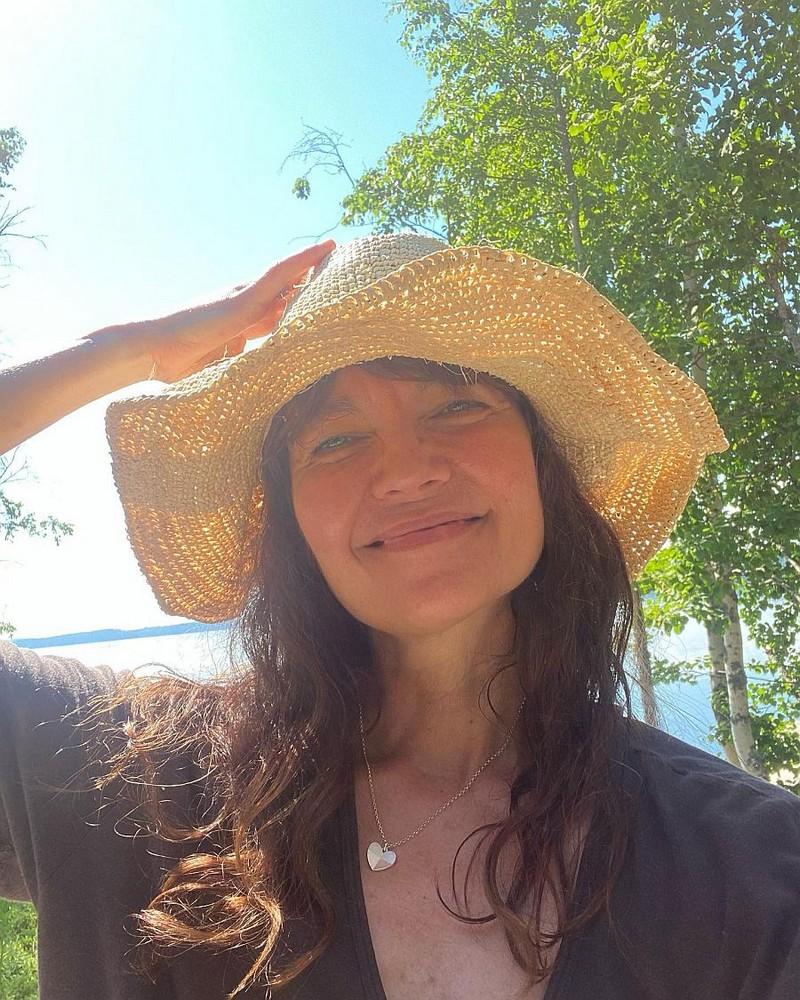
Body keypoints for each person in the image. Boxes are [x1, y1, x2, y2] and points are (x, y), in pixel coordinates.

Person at [0, 232, 798, 1000]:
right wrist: (132, 350)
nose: (406, 472)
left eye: (457, 405)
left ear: (541, 461)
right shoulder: (137, 781)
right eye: (336, 439)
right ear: (290, 522)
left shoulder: (754, 870)